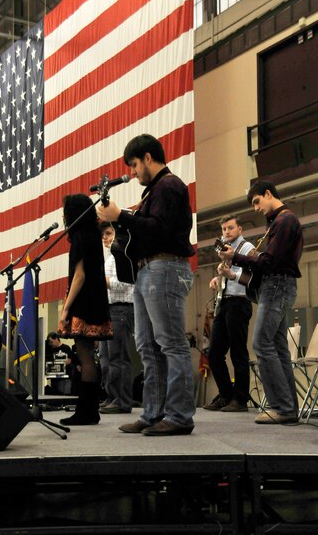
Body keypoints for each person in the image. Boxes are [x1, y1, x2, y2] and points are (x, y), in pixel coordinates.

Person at [97, 133, 195, 436]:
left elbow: (160, 231)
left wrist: (122, 217)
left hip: (164, 266)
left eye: (135, 165)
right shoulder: (156, 191)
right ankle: (153, 413)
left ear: (149, 158)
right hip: (149, 269)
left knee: (171, 344)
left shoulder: (167, 186)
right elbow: (152, 228)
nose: (133, 172)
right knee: (148, 347)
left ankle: (178, 415)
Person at [219, 180, 303, 424]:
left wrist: (236, 256)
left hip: (277, 285)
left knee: (262, 344)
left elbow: (270, 263)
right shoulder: (280, 221)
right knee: (277, 348)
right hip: (278, 285)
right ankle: (288, 408)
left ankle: (282, 407)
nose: (256, 208)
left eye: (257, 201)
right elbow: (269, 262)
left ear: (268, 194)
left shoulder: (284, 221)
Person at [58, 193, 113, 425]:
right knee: (88, 354)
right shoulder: (92, 234)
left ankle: (86, 411)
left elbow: (79, 276)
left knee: (84, 355)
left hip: (84, 301)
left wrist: (65, 309)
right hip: (96, 300)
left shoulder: (79, 236)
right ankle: (90, 409)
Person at [203, 215, 254, 413]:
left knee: (238, 352)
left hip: (240, 302)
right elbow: (228, 276)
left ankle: (240, 400)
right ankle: (227, 394)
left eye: (230, 228)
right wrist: (217, 279)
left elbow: (253, 277)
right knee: (214, 353)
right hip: (224, 302)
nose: (226, 232)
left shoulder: (247, 248)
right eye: (224, 229)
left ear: (240, 229)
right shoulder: (225, 251)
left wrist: (231, 275)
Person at [99, 222, 134, 414]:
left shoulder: (122, 255)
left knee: (118, 357)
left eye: (109, 233)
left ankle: (122, 400)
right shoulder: (109, 258)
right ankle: (111, 395)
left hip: (121, 309)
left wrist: (100, 280)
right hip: (110, 309)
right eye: (103, 234)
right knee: (106, 358)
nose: (105, 237)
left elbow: (123, 284)